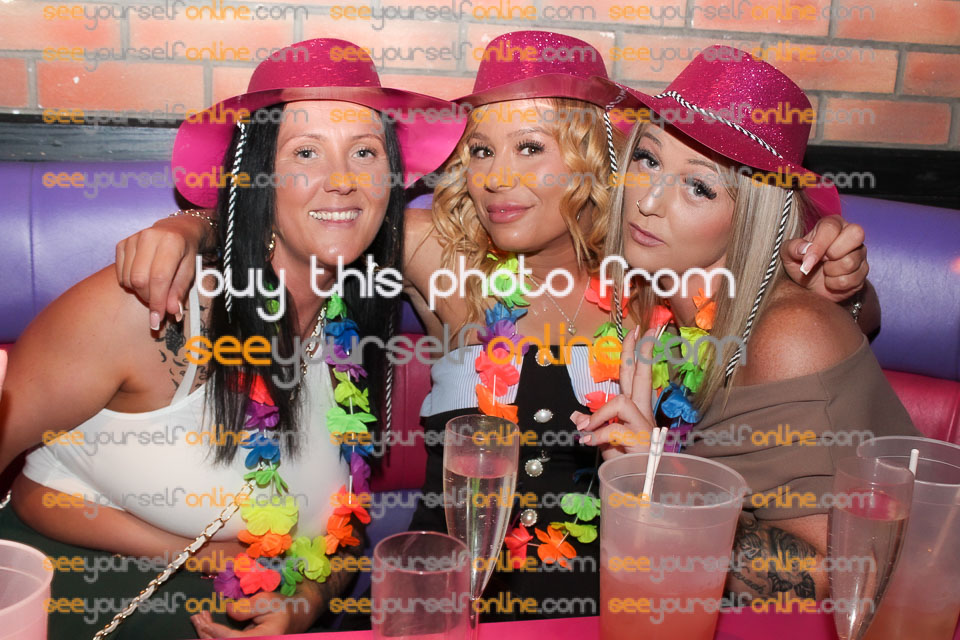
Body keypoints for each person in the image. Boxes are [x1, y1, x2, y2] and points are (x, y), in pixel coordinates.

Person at [111, 31, 875, 621]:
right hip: (434, 609)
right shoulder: (443, 257)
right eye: (481, 149)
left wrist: (847, 287)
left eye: (531, 148)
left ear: (591, 160)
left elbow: (784, 315)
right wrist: (185, 230)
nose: (498, 178)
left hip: (604, 619)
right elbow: (303, 218)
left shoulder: (651, 278)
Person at [0, 38, 463, 639]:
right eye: (305, 151)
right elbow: (31, 486)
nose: (342, 180)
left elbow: (341, 535)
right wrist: (189, 553)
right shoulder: (150, 311)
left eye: (365, 152)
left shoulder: (349, 332)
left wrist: (305, 603)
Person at [574, 45, 920, 603]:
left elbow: (835, 578)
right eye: (649, 160)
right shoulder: (652, 303)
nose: (649, 201)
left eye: (700, 186)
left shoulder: (789, 335)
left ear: (752, 216)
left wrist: (660, 487)